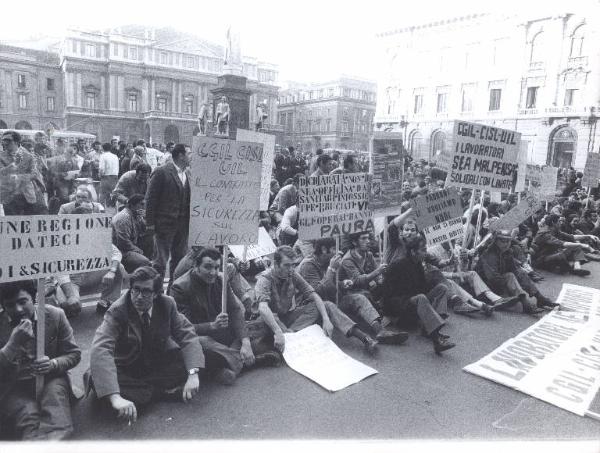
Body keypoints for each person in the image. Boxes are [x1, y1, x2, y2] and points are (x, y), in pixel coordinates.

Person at [88, 266, 203, 423]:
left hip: (155, 362)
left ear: (156, 294)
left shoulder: (167, 304)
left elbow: (187, 335)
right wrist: (115, 398)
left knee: (196, 353)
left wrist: (193, 374)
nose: (139, 296)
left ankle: (145, 395)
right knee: (96, 380)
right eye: (136, 289)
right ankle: (161, 392)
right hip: (126, 366)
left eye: (146, 291)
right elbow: (101, 349)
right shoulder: (117, 311)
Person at [171, 248, 281, 385]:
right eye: (208, 267)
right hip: (203, 337)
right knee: (201, 342)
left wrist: (245, 343)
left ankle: (226, 363)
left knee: (269, 322)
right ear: (195, 266)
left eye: (217, 267)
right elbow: (183, 329)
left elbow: (234, 310)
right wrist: (212, 325)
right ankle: (248, 361)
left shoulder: (221, 279)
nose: (213, 272)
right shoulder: (180, 287)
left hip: (225, 334)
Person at [256, 246, 378, 354]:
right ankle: (286, 339)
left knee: (326, 305)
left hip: (287, 317)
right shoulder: (265, 279)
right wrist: (277, 331)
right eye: (286, 265)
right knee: (264, 329)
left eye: (293, 265)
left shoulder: (292, 273)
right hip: (269, 321)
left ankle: (364, 338)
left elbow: (313, 294)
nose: (290, 269)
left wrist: (326, 319)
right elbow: (263, 308)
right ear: (276, 264)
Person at [0, 280, 81, 440]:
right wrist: (12, 345)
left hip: (51, 379)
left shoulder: (55, 314)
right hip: (14, 386)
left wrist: (53, 364)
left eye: (23, 302)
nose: (18, 310)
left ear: (34, 297)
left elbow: (74, 354)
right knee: (28, 418)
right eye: (10, 305)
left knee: (58, 423)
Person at [298, 238, 408, 345]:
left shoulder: (328, 261)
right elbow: (317, 293)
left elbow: (333, 285)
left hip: (333, 300)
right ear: (323, 249)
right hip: (315, 308)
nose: (337, 252)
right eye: (333, 249)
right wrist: (331, 270)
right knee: (330, 305)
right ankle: (363, 337)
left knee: (359, 297)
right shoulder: (308, 265)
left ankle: (380, 331)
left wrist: (342, 284)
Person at [381, 234, 456, 354]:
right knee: (420, 298)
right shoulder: (398, 265)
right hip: (399, 311)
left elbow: (423, 288)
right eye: (423, 250)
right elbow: (386, 294)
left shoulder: (418, 265)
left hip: (413, 304)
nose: (425, 253)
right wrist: (390, 315)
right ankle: (436, 340)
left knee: (442, 288)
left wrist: (431, 279)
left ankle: (430, 328)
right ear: (413, 252)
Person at [145, 144, 191, 289]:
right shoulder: (161, 172)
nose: (192, 156)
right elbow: (151, 199)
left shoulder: (188, 173)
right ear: (181, 155)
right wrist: (150, 224)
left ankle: (173, 291)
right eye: (189, 153)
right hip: (164, 224)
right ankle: (156, 292)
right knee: (160, 261)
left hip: (183, 225)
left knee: (179, 260)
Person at [477, 229, 557, 313]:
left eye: (508, 241)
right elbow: (493, 278)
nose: (506, 244)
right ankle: (525, 303)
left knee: (519, 272)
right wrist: (511, 287)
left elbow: (515, 270)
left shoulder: (507, 252)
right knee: (510, 276)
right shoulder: (489, 254)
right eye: (502, 241)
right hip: (486, 288)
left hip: (499, 282)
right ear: (496, 241)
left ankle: (540, 298)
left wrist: (520, 282)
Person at [0, 130, 47, 215]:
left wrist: (17, 177)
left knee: (28, 223)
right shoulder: (1, 156)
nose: (4, 143)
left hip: (27, 195)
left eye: (8, 140)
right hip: (9, 196)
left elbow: (34, 174)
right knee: (12, 224)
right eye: (3, 140)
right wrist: (12, 166)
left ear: (16, 141)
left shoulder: (28, 156)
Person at [112, 194, 152, 273]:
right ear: (132, 205)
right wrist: (140, 251)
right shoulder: (124, 218)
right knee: (145, 262)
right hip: (120, 251)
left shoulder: (135, 215)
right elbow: (123, 243)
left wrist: (144, 218)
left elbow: (146, 231)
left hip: (129, 247)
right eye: (141, 204)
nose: (143, 207)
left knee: (151, 240)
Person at [98, 142, 120, 208]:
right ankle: (113, 208)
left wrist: (100, 175)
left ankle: (102, 209)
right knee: (113, 194)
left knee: (103, 194)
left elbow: (101, 169)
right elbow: (118, 167)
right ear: (110, 148)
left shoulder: (103, 156)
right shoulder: (115, 156)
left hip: (106, 177)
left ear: (102, 148)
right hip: (115, 177)